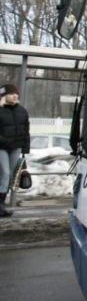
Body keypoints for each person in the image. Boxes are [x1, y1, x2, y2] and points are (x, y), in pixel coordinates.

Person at [0, 84, 30, 217]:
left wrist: (26, 148)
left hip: (16, 147)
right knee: (5, 173)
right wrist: (4, 140)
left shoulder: (22, 111)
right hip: (1, 147)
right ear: (4, 95)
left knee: (11, 175)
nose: (14, 96)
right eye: (11, 93)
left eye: (16, 94)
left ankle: (2, 205)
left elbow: (26, 130)